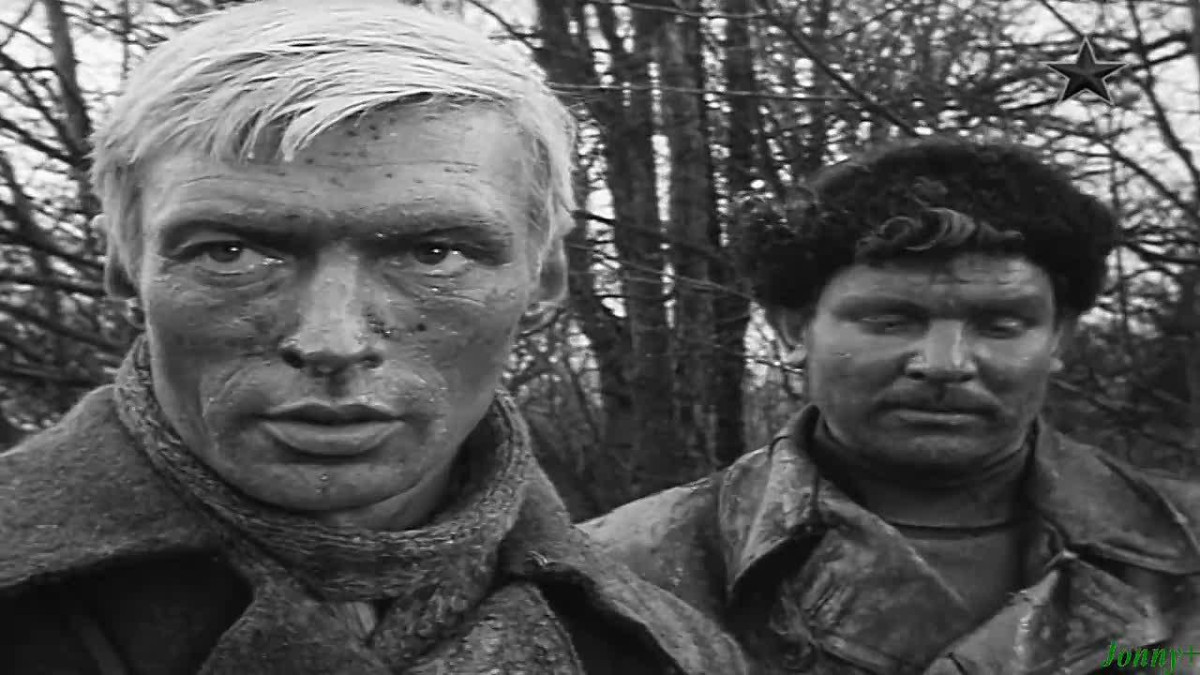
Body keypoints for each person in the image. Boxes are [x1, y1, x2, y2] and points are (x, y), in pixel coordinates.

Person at [0, 2, 750, 673]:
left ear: (545, 275)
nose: (331, 341)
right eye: (231, 253)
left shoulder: (669, 650)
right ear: (124, 263)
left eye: (434, 253)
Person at [584, 137, 1200, 673]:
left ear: (1058, 338)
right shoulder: (623, 571)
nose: (945, 363)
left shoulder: (1184, 547)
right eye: (890, 320)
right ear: (794, 330)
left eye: (1000, 324)